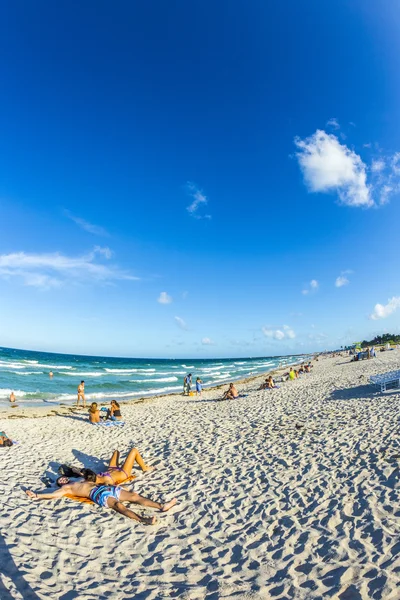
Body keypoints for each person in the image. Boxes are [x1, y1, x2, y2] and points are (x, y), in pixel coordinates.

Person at [25, 480, 177, 525]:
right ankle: (143, 519)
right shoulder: (67, 489)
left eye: (63, 478)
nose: (63, 480)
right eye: (60, 481)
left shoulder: (79, 479)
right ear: (61, 484)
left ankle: (162, 506)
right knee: (119, 506)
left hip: (106, 487)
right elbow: (53, 495)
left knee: (134, 496)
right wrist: (37, 495)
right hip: (97, 494)